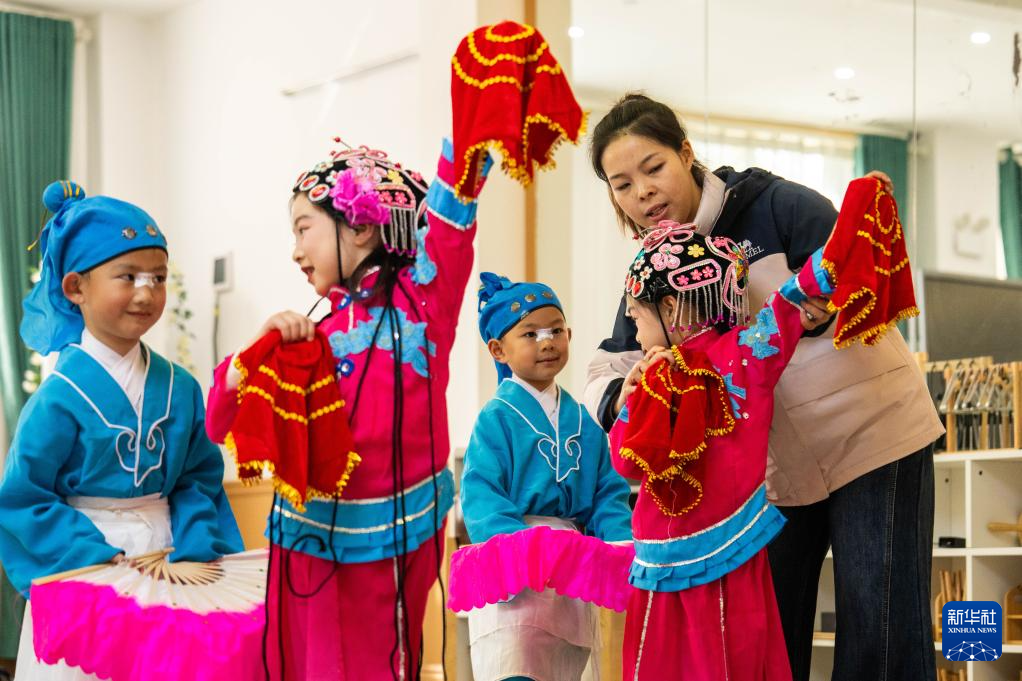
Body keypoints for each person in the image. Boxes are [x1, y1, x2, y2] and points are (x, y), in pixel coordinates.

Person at [587, 93, 941, 680]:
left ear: (686, 154)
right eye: (622, 184)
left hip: (872, 434)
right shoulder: (653, 272)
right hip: (772, 474)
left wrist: (823, 303)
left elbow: (845, 267)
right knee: (765, 635)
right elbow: (609, 367)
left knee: (877, 623)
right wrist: (632, 392)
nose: (643, 193)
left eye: (653, 168)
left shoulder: (774, 203)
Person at [0, 180, 243, 681]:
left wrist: (197, 544)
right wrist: (95, 558)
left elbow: (198, 479)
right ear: (75, 288)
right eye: (128, 276)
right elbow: (24, 499)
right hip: (87, 567)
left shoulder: (180, 387)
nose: (146, 292)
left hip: (173, 560)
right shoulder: (57, 397)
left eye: (158, 277)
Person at [459, 272, 633, 681]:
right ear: (498, 349)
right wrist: (518, 549)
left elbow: (607, 492)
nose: (547, 342)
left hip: (571, 568)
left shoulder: (584, 420)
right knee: (515, 665)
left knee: (565, 668)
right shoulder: (496, 418)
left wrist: (619, 542)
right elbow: (482, 493)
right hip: (515, 569)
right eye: (531, 334)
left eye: (556, 330)